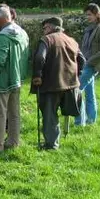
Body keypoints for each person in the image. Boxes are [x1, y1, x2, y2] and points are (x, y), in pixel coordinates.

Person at [31, 17, 85, 150]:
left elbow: (39, 57)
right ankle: (60, 137)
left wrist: (37, 75)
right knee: (63, 113)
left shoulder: (47, 40)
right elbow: (82, 60)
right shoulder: (71, 40)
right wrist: (76, 74)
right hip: (71, 85)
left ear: (50, 27)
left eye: (44, 28)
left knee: (50, 116)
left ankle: (51, 144)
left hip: (51, 85)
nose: (43, 31)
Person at [0, 5, 30, 151]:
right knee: (14, 113)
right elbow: (26, 56)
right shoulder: (23, 32)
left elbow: (0, 60)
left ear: (0, 19)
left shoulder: (4, 35)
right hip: (17, 78)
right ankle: (13, 142)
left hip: (3, 80)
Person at [75, 3, 100, 126]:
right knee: (89, 93)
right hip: (87, 63)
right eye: (87, 15)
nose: (88, 17)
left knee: (76, 90)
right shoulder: (91, 27)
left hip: (92, 65)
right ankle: (91, 120)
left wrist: (88, 61)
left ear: (97, 14)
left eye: (90, 15)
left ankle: (80, 122)